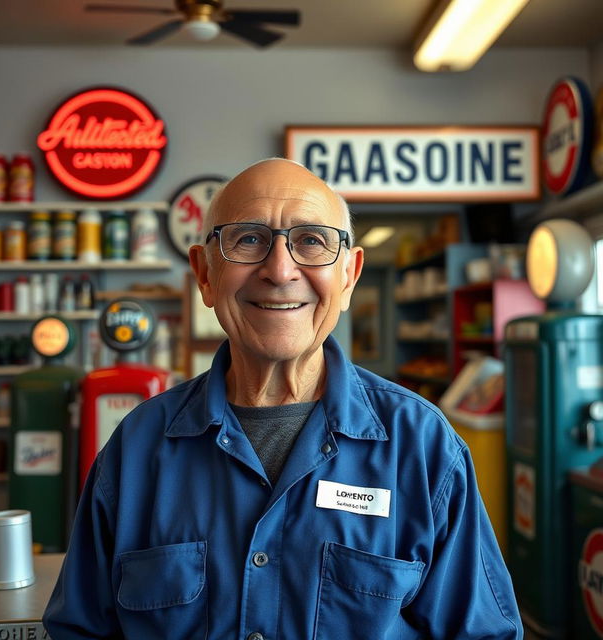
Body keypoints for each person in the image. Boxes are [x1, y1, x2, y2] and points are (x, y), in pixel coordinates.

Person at [43, 158, 523, 639]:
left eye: (312, 241)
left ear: (349, 277)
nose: (279, 269)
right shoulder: (136, 448)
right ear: (205, 274)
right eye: (248, 239)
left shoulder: (422, 447)